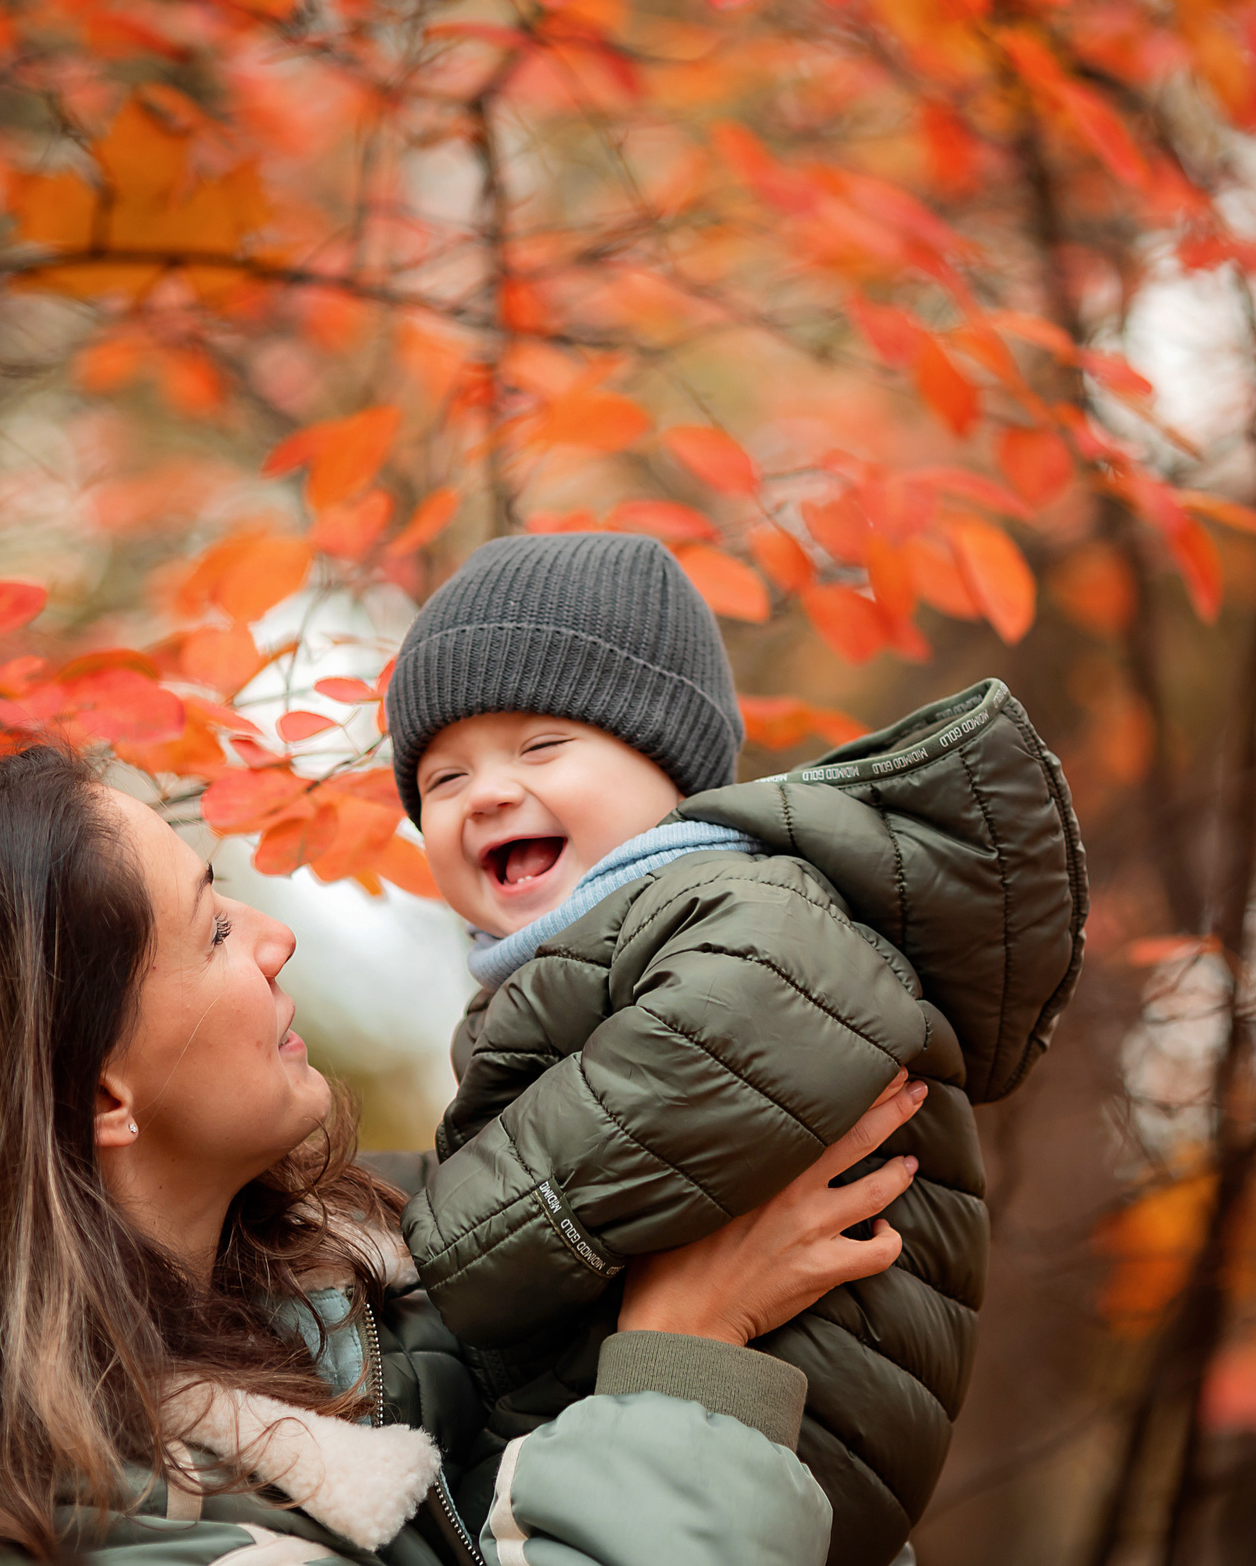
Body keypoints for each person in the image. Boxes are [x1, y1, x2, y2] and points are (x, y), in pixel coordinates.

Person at [0, 743, 924, 1566]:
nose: (277, 938)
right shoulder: (62, 1530)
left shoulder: (394, 1260)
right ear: (101, 1096)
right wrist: (685, 1371)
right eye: (214, 929)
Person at [385, 532, 1088, 1566]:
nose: (485, 793)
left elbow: (727, 1042)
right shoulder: (555, 971)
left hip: (791, 1407)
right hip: (681, 1440)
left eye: (541, 749)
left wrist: (452, 1249)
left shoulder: (736, 894)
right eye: (441, 780)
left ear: (669, 767)